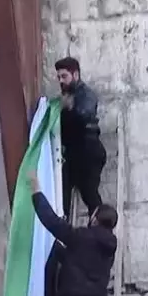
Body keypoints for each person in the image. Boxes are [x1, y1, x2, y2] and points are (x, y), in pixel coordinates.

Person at [54, 57, 106, 219]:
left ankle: (101, 229)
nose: (61, 81)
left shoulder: (86, 94)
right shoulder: (66, 98)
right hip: (72, 155)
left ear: (75, 75)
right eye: (59, 78)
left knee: (89, 194)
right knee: (62, 196)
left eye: (64, 76)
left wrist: (68, 109)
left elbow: (83, 116)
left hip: (88, 151)